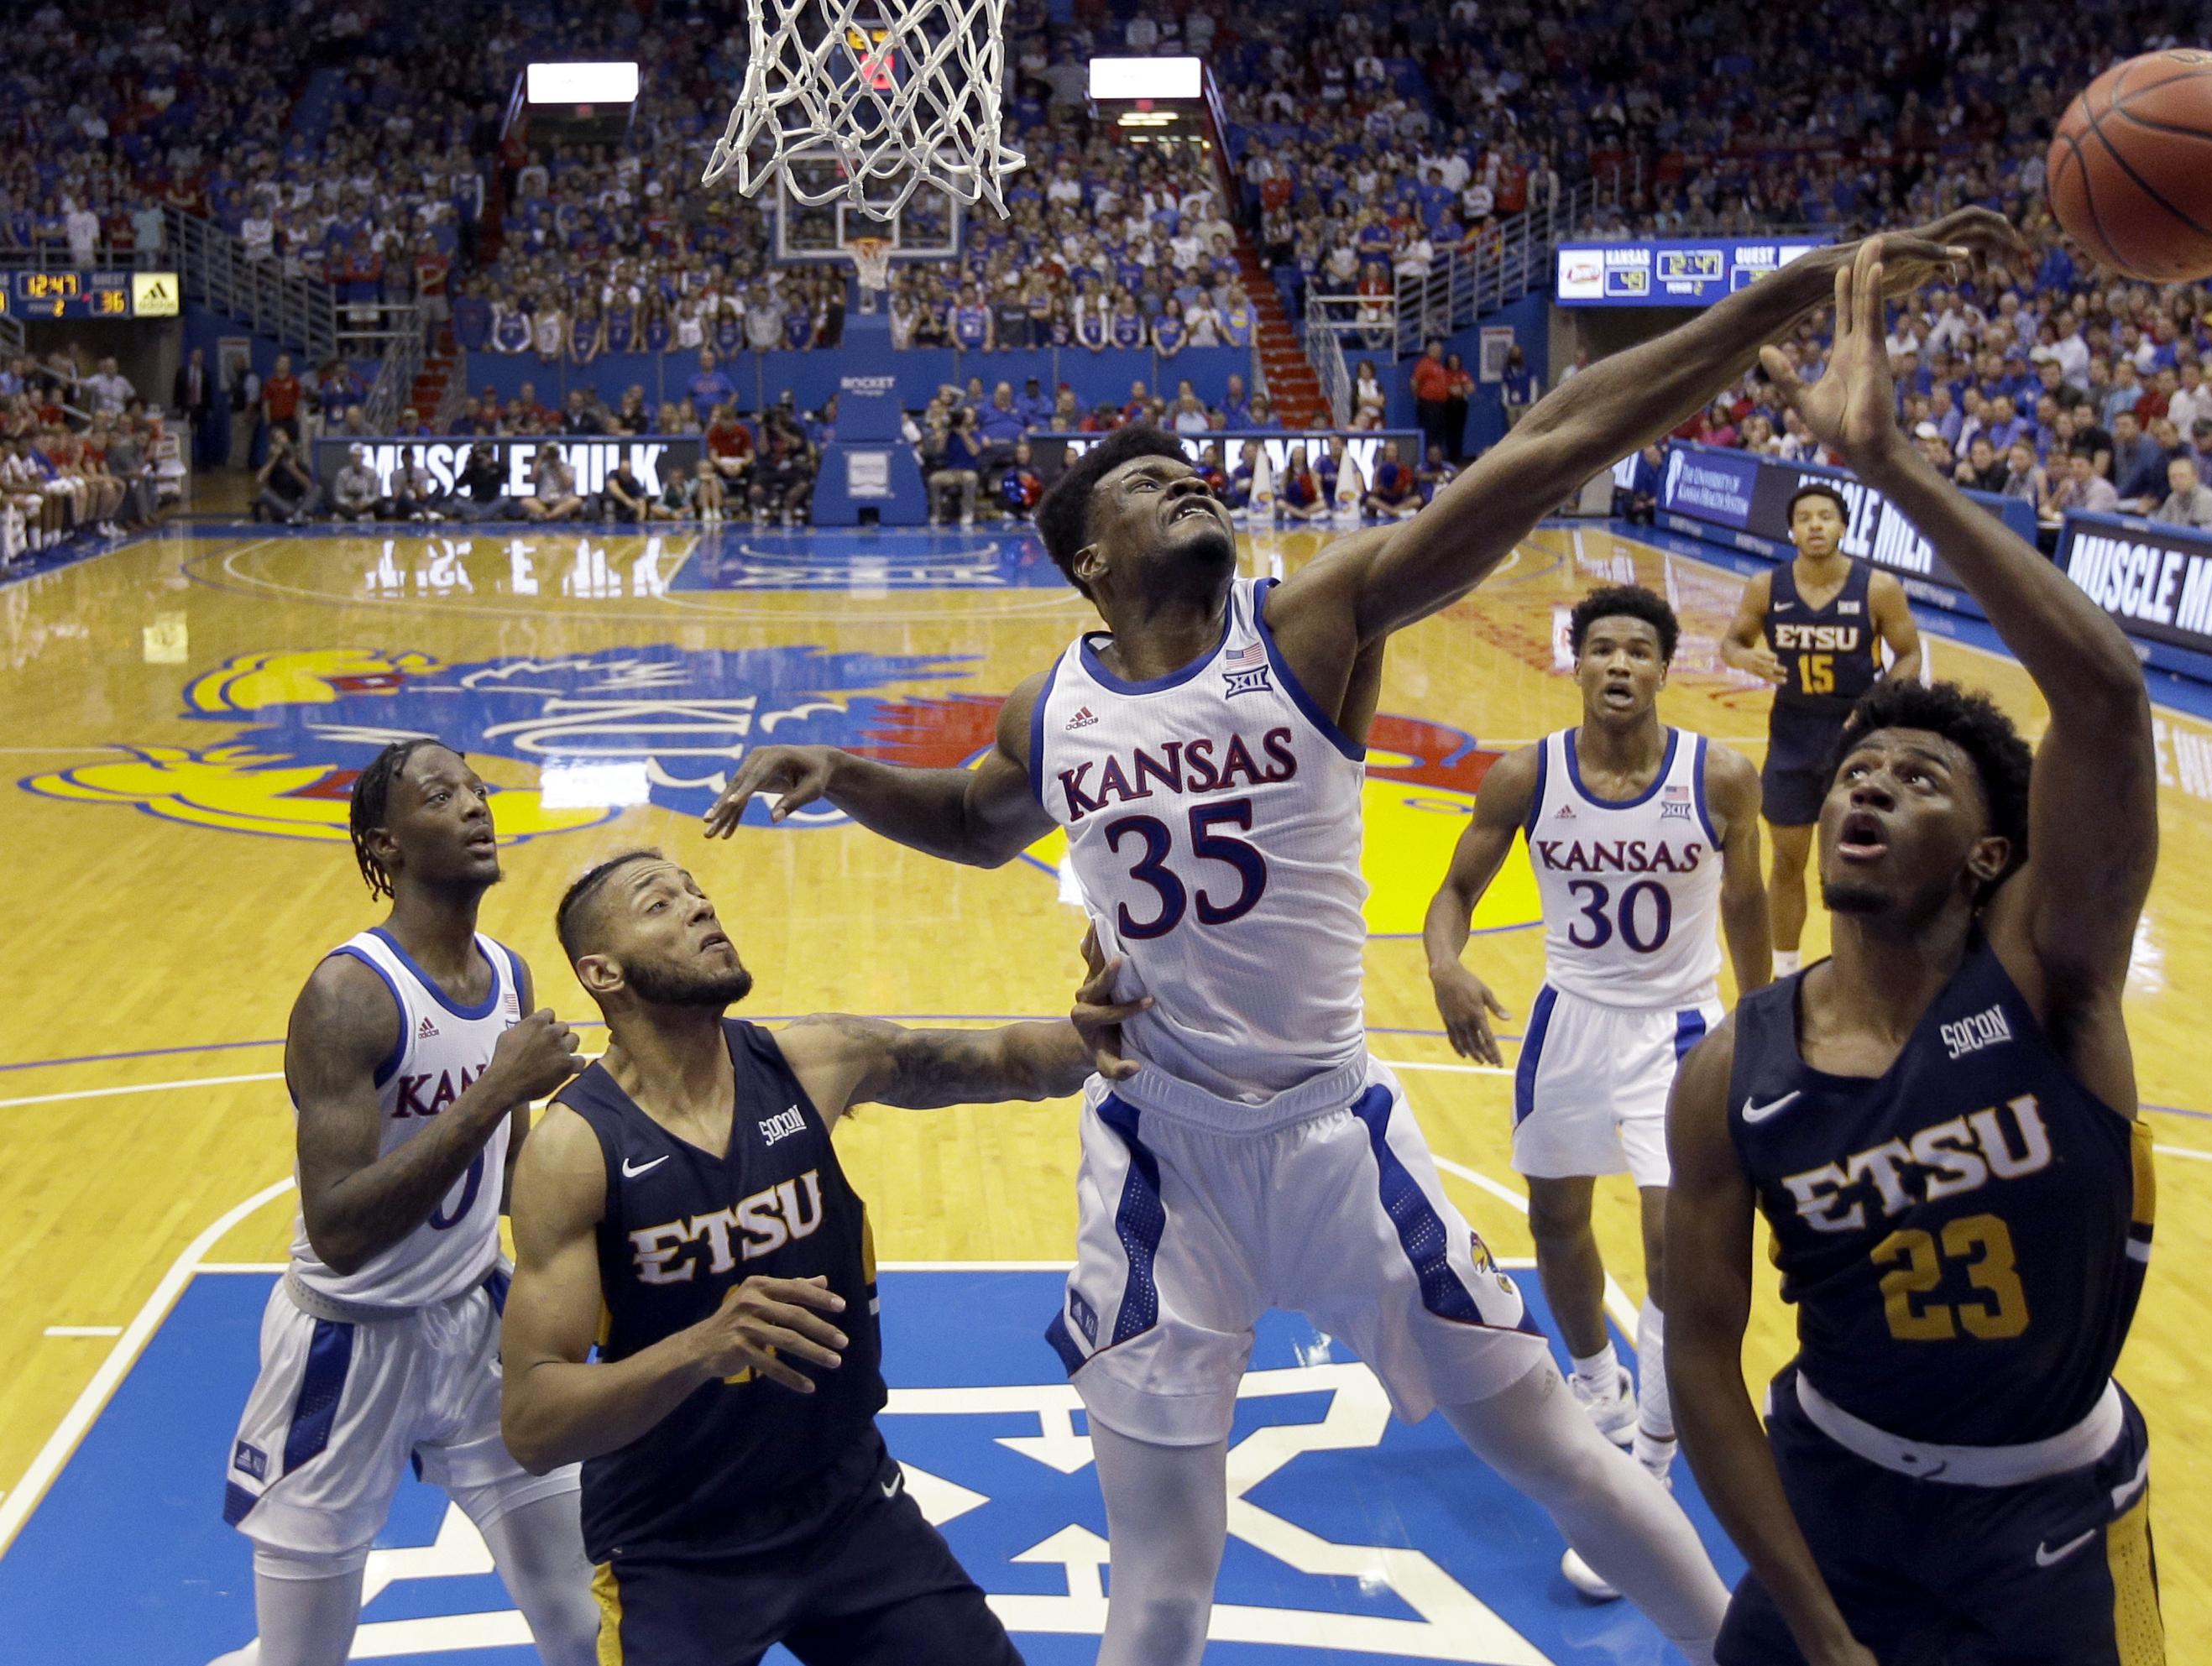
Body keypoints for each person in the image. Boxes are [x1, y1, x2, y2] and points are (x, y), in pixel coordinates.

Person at [700, 207, 2025, 1666]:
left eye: (1191, 466)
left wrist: (1774, 301)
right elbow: (971, 818)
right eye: (1149, 484)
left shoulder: (1313, 622)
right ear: (1090, 557)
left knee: (1560, 1459)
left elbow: (1556, 441)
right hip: (1158, 1150)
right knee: (1162, 1574)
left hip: (1339, 1133)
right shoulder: (1052, 708)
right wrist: (843, 777)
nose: (1187, 481)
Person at [1671, 232, 2167, 1666]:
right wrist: (1819, 1632)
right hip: (1830, 1506)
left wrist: (1890, 468)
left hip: (2054, 1520)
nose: (1871, 784)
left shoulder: (2048, 981)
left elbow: (2106, 700)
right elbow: (1702, 1361)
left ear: (1993, 857)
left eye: (1920, 778)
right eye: (1861, 771)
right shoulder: (1731, 1074)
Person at [499, 853, 1144, 1666]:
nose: (700, 908)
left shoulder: (812, 1060)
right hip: (674, 1545)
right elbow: (530, 1420)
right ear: (603, 970)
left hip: (846, 1505)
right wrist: (698, 1347)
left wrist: (1085, 1034)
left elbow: (1005, 1062)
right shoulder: (575, 1149)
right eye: (661, 903)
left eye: (700, 891)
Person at [210, 741, 601, 1666]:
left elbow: (508, 1180)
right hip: (347, 1344)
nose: (475, 806)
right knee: (304, 1656)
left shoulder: (510, 974)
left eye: (476, 789)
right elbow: (340, 1228)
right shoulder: (349, 994)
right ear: (384, 846)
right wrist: (494, 1090)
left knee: (583, 1624)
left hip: (476, 1324)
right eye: (442, 795)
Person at [1425, 583, 1772, 1596]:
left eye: (1638, 651)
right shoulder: (1526, 775)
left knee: (1672, 1245)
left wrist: (1765, 1023)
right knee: (1558, 1219)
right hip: (1568, 1021)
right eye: (1601, 650)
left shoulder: (1722, 776)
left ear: (1666, 668)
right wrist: (1444, 963)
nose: (1619, 665)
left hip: (1680, 1033)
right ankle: (1597, 1387)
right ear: (1573, 663)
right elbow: (1452, 894)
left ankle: (1650, 1464)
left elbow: (1747, 903)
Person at [1717, 483, 1925, 980]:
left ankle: (1859, 972)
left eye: (1825, 517)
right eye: (1805, 517)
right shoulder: (1766, 586)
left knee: (1854, 865)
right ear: (1791, 530)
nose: (1815, 525)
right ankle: (1786, 973)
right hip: (1790, 732)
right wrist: (1745, 657)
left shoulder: (1878, 588)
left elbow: (1910, 655)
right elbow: (1731, 642)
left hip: (1857, 738)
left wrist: (1878, 702)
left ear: (1843, 527)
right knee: (1788, 860)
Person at [2151, 456, 2212, 527]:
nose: (2177, 481)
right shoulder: (2173, 498)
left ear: (2195, 477)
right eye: (2173, 477)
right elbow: (2161, 525)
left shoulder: (2206, 500)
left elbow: (2199, 534)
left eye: (2182, 476)